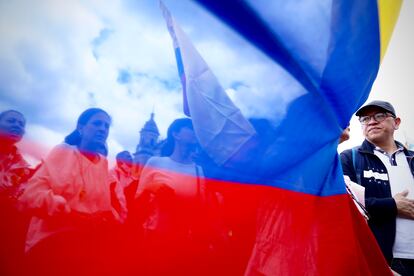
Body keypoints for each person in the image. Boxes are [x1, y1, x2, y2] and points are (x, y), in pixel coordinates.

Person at [19, 108, 117, 275]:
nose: (103, 129)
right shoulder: (62, 151)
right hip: (51, 240)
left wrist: (107, 216)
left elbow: (103, 205)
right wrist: (60, 206)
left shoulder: (103, 163)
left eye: (106, 126)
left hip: (86, 243)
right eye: (97, 123)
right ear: (81, 127)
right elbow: (31, 193)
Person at [340, 100, 414, 275]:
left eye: (379, 116)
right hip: (380, 261)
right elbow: (345, 204)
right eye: (365, 119)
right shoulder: (349, 158)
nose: (371, 121)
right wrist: (392, 205)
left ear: (396, 123)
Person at [135, 118, 208, 274]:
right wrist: (152, 188)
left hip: (183, 242)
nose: (195, 132)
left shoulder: (198, 171)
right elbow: (137, 201)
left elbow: (201, 209)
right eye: (190, 128)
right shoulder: (155, 162)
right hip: (154, 238)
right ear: (176, 134)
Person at [0, 110, 33, 275]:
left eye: (21, 124)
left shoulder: (24, 167)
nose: (17, 126)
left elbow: (21, 202)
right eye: (11, 121)